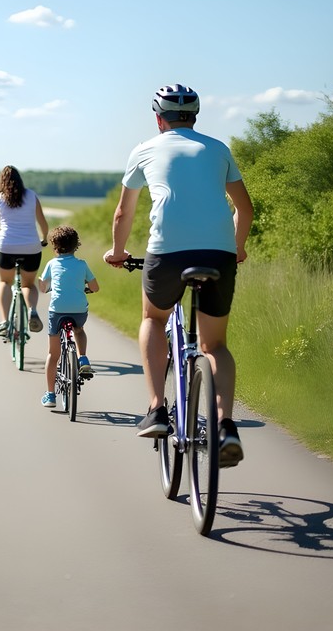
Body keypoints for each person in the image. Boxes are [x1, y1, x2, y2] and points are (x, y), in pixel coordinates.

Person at [103, 84, 253, 468]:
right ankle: (225, 426)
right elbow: (245, 209)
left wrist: (118, 252)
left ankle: (157, 409)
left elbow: (123, 213)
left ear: (159, 119)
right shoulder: (218, 149)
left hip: (167, 253)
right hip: (218, 254)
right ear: (195, 117)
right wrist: (236, 248)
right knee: (214, 346)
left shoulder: (144, 150)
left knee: (153, 318)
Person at [0, 165, 49, 337]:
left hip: (7, 247)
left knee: (5, 282)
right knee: (28, 285)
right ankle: (32, 311)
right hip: (31, 248)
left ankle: (5, 321)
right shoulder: (32, 196)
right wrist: (44, 238)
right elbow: (42, 222)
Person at [38, 225, 100, 408]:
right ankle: (83, 358)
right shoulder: (82, 264)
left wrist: (47, 287)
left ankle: (50, 396)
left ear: (54, 247)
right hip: (78, 310)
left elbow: (42, 286)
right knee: (79, 330)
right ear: (76, 245)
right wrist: (85, 288)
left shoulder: (52, 264)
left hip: (57, 310)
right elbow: (95, 287)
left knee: (53, 354)